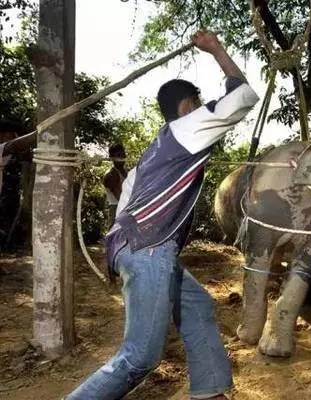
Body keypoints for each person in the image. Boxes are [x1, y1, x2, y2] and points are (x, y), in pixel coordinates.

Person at [66, 30, 259, 400]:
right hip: (150, 250)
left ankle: (212, 391)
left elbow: (123, 210)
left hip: (139, 247)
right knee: (140, 357)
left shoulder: (152, 154)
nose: (204, 109)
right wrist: (216, 48)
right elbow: (242, 96)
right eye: (199, 103)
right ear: (188, 106)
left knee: (197, 304)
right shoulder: (186, 128)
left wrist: (124, 257)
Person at [102, 143, 128, 225]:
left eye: (123, 154)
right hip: (117, 210)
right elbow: (120, 197)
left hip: (127, 208)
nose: (122, 157)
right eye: (118, 155)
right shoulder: (110, 176)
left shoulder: (127, 172)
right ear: (112, 158)